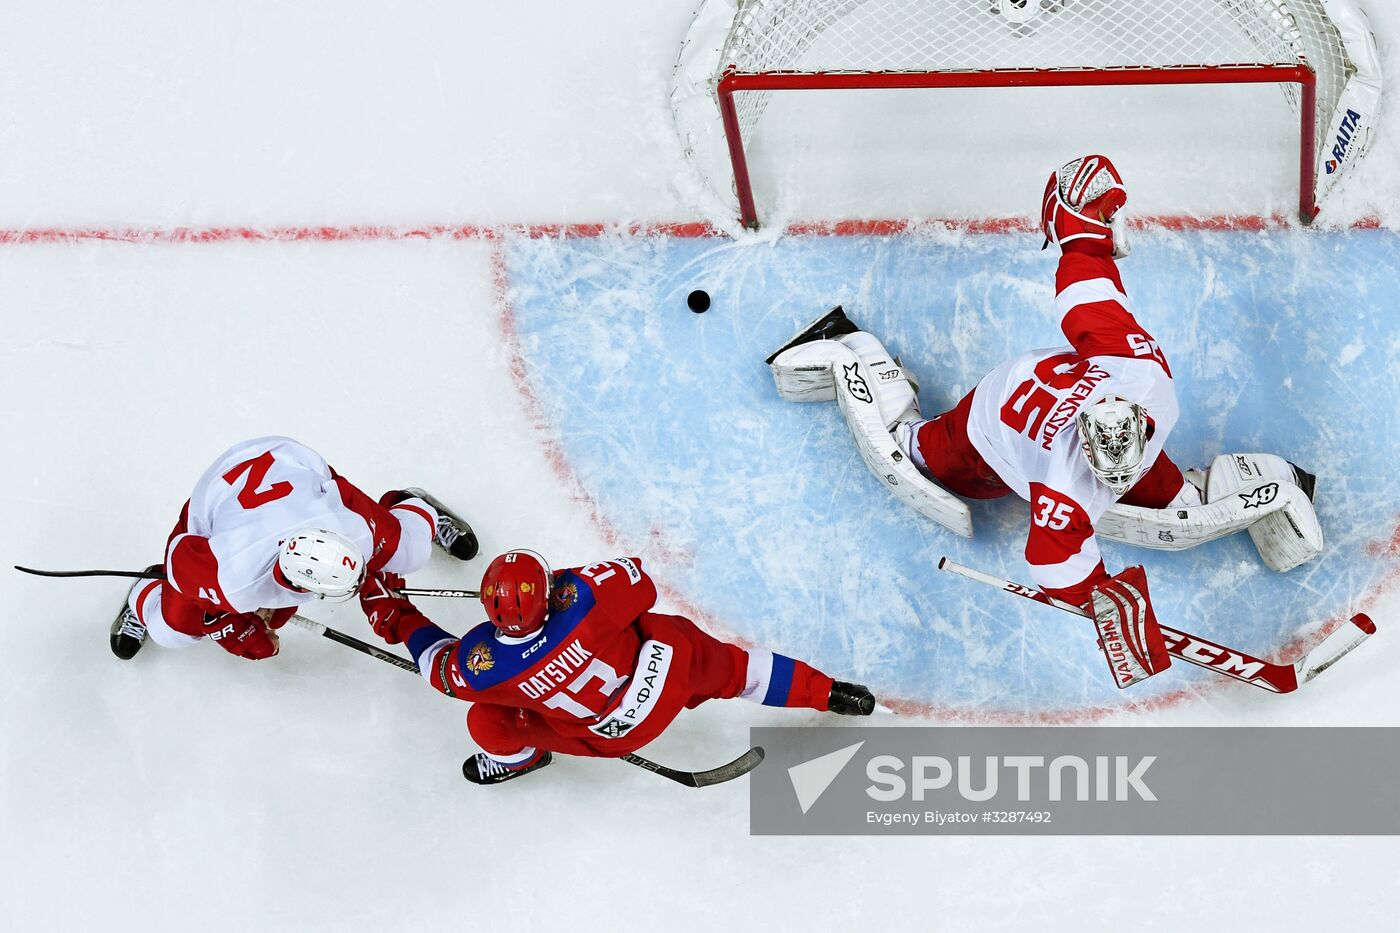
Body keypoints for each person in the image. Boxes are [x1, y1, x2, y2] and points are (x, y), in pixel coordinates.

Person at [765, 155, 1320, 685]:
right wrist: (1104, 601)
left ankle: (1235, 490)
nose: (1112, 483)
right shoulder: (1066, 484)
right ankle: (856, 351)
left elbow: (1086, 294)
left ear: (1143, 422)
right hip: (989, 425)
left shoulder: (1143, 372)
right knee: (919, 451)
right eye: (1107, 475)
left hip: (1051, 383)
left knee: (1174, 499)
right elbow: (1052, 560)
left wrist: (1081, 229)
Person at [360, 550, 876, 784]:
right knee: (740, 670)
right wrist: (562, 585)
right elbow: (641, 581)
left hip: (614, 734)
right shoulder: (581, 597)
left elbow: (436, 665)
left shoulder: (484, 667)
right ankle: (828, 692)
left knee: (485, 721)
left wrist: (396, 613)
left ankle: (521, 760)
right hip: (672, 670)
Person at [109, 435, 477, 662]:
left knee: (409, 551)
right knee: (172, 631)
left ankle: (414, 504)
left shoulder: (355, 531)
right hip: (221, 494)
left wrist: (378, 573)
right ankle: (145, 593)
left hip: (293, 463)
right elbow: (180, 553)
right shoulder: (229, 576)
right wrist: (223, 623)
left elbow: (369, 552)